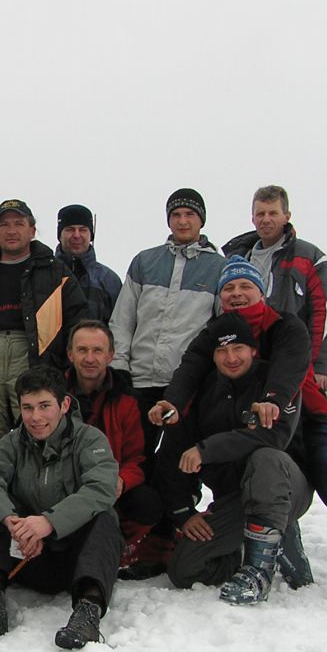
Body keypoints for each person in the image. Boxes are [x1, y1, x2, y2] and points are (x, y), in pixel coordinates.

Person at [155, 257, 327, 602]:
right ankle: (263, 532)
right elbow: (190, 369)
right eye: (228, 288)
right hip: (247, 423)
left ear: (262, 293)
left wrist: (272, 398)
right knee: (243, 465)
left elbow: (288, 368)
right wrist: (173, 404)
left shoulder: (285, 326)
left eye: (246, 286)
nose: (237, 293)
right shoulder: (215, 334)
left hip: (302, 419)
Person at [151, 313, 311, 605]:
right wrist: (183, 513)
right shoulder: (204, 390)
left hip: (285, 490)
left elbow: (273, 438)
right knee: (183, 570)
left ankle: (261, 567)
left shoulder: (274, 385)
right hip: (235, 500)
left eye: (238, 348)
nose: (231, 357)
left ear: (253, 350)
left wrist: (206, 450)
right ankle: (244, 551)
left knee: (266, 458)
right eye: (222, 350)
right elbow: (173, 450)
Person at [0, 365, 122, 649]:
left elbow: (101, 488)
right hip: (25, 555)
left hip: (76, 560)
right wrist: (11, 523)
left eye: (44, 406)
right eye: (27, 408)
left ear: (64, 405)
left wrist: (48, 523)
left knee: (105, 517)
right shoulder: (13, 442)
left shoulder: (90, 439)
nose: (35, 417)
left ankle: (88, 610)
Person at [0, 199, 88, 445]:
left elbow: (78, 322)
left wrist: (59, 366)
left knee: (35, 426)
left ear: (32, 230)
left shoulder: (56, 272)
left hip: (33, 356)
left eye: (19, 223)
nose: (11, 230)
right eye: (4, 224)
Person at [108, 188, 225, 460]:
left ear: (201, 219)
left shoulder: (219, 267)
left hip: (184, 383)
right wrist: (120, 367)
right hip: (140, 379)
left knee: (176, 460)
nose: (182, 221)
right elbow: (122, 320)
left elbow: (220, 328)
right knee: (135, 456)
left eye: (190, 214)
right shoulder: (145, 261)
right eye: (176, 214)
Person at [221, 185, 327, 388]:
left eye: (273, 213)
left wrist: (319, 366)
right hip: (242, 365)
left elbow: (325, 314)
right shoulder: (237, 260)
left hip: (292, 363)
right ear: (252, 219)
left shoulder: (310, 258)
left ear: (287, 216)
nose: (266, 219)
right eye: (260, 214)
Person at [65, 320, 163, 564]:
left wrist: (121, 480)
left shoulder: (129, 400)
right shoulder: (53, 394)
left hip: (111, 483)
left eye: (97, 350)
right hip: (63, 481)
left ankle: (125, 545)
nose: (89, 358)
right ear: (70, 354)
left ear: (111, 355)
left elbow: (139, 458)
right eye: (82, 350)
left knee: (147, 503)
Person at [55, 204, 122, 323]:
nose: (76, 235)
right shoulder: (44, 274)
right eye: (70, 229)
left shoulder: (109, 280)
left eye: (82, 230)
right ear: (60, 235)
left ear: (91, 235)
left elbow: (120, 325)